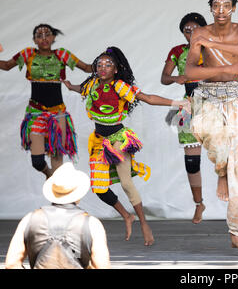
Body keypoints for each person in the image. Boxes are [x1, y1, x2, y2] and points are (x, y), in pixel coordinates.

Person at [64, 46, 189, 246]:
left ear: (115, 69)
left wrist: (177, 103)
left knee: (126, 183)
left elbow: (148, 98)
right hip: (99, 140)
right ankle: (126, 215)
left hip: (118, 138)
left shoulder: (120, 86)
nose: (103, 68)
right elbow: (82, 88)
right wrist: (71, 86)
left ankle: (143, 223)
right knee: (99, 188)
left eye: (108, 65)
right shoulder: (92, 84)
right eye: (99, 65)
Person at [185, 0, 238, 250]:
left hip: (234, 96)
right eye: (216, 5)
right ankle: (221, 171)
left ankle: (236, 232)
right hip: (207, 97)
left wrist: (215, 45)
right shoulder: (200, 33)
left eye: (226, 5)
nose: (221, 10)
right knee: (214, 137)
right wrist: (228, 65)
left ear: (234, 8)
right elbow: (190, 72)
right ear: (210, 8)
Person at [0, 24, 92, 178]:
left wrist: (108, 62)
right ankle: (50, 177)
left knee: (57, 157)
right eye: (39, 35)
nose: (43, 38)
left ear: (53, 37)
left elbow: (87, 67)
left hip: (57, 113)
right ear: (34, 40)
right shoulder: (28, 54)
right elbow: (7, 65)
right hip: (36, 113)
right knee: (37, 161)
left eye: (47, 34)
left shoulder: (62, 54)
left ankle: (59, 197)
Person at [5, 162, 110, 269]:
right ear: (78, 192)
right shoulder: (92, 224)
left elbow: (11, 264)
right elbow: (102, 266)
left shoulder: (30, 219)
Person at [161, 12, 207, 224]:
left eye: (194, 28)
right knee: (191, 162)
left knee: (226, 155)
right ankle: (199, 204)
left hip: (214, 102)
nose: (190, 32)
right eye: (186, 29)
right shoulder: (177, 51)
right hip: (189, 105)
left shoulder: (212, 48)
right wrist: (175, 78)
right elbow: (164, 78)